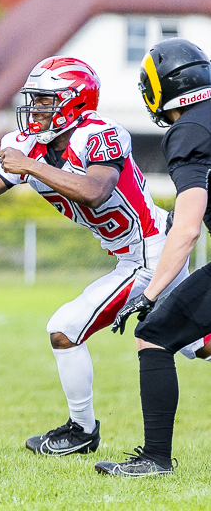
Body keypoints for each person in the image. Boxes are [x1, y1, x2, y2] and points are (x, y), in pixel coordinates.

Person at [0, 56, 207, 457]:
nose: (35, 109)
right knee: (195, 346)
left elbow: (96, 190)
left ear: (73, 102)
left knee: (65, 328)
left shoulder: (99, 134)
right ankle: (83, 430)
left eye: (44, 100)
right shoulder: (28, 147)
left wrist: (32, 168)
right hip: (135, 255)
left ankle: (82, 431)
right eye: (34, 100)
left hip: (150, 252)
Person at [96, 38, 211, 477]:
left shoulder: (190, 131)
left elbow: (186, 228)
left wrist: (150, 295)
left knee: (155, 334)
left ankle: (156, 459)